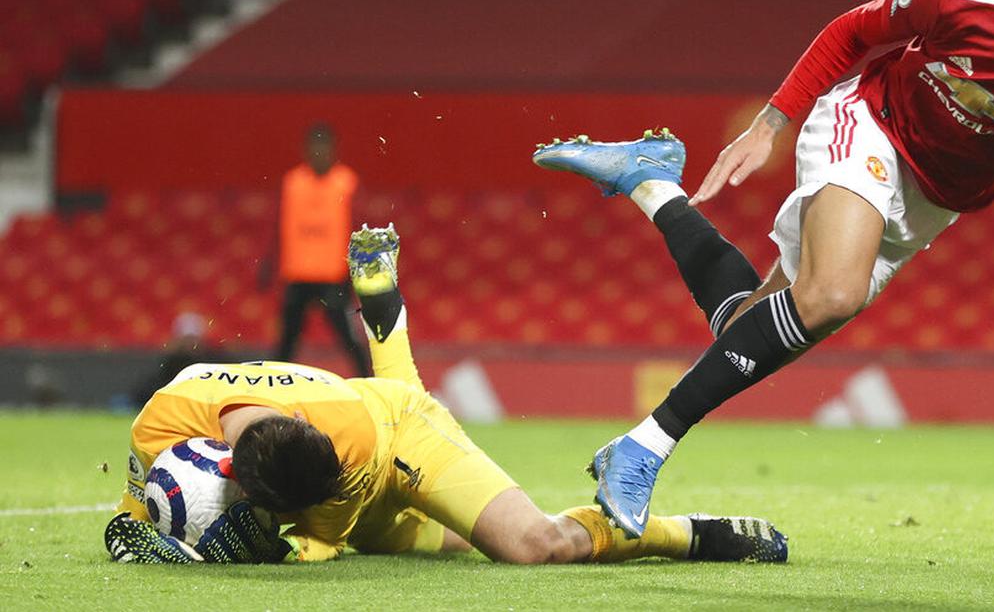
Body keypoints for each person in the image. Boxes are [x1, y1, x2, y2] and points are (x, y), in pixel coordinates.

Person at [533, 0, 994, 538]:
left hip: (934, 201)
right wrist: (773, 121)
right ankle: (642, 449)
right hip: (871, 126)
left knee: (748, 335)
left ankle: (650, 183)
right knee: (833, 295)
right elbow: (854, 31)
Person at [104, 225, 787, 565]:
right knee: (450, 537)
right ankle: (383, 313)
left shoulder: (341, 446)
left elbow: (314, 544)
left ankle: (688, 535)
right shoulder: (156, 423)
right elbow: (128, 526)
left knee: (532, 547)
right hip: (361, 408)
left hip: (397, 435)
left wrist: (262, 549)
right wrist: (149, 536)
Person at [259, 122, 369, 378]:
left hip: (333, 275)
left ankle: (370, 388)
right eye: (314, 147)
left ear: (333, 149)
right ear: (306, 150)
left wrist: (357, 270)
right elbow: (278, 224)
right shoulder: (293, 182)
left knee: (350, 340)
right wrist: (269, 262)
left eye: (324, 147)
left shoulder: (346, 182)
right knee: (286, 342)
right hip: (297, 274)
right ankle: (273, 388)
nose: (319, 153)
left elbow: (358, 224)